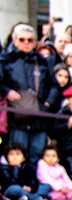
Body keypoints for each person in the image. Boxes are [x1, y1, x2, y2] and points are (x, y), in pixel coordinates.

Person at [0, 23, 61, 167]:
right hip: (17, 117)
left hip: (39, 117)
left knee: (37, 156)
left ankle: (33, 186)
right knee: (16, 156)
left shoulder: (42, 61)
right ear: (14, 40)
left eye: (30, 40)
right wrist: (7, 91)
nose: (26, 43)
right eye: (22, 39)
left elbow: (54, 85)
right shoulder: (5, 59)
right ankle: (17, 186)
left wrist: (47, 103)